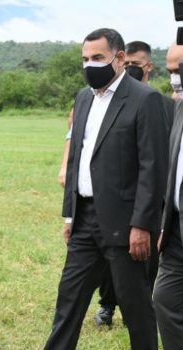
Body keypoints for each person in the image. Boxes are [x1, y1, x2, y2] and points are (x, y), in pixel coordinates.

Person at [45, 28, 167, 350]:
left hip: (125, 223)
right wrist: (69, 215)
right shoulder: (84, 97)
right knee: (68, 302)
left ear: (120, 58)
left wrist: (142, 225)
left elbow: (153, 168)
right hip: (85, 218)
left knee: (136, 306)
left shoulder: (145, 100)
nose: (90, 64)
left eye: (98, 57)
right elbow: (77, 159)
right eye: (85, 58)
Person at [90, 40, 168, 327]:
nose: (132, 68)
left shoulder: (158, 101)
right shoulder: (108, 99)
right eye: (128, 63)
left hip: (152, 192)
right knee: (111, 259)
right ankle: (108, 305)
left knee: (145, 258)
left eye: (137, 65)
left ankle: (140, 306)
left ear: (148, 66)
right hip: (118, 193)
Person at [154, 42, 183, 350]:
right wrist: (164, 223)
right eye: (171, 71)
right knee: (165, 299)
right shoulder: (178, 108)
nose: (175, 79)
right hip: (175, 231)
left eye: (180, 70)